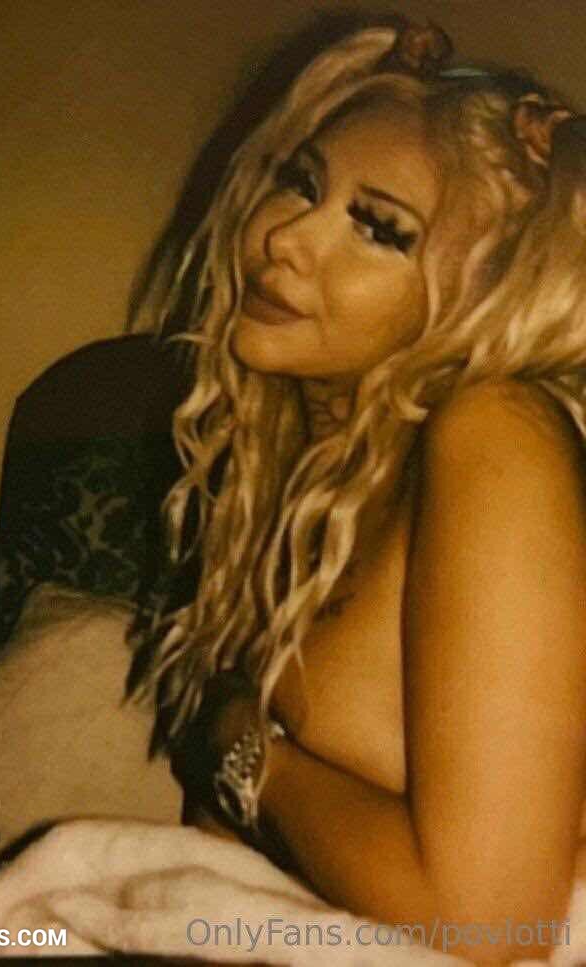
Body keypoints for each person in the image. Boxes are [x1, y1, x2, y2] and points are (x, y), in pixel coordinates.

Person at [123, 18, 586, 965]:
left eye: (379, 228)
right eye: (301, 182)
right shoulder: (303, 482)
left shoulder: (494, 434)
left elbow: (491, 924)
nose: (285, 238)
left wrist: (243, 745)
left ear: (485, 288)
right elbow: (233, 887)